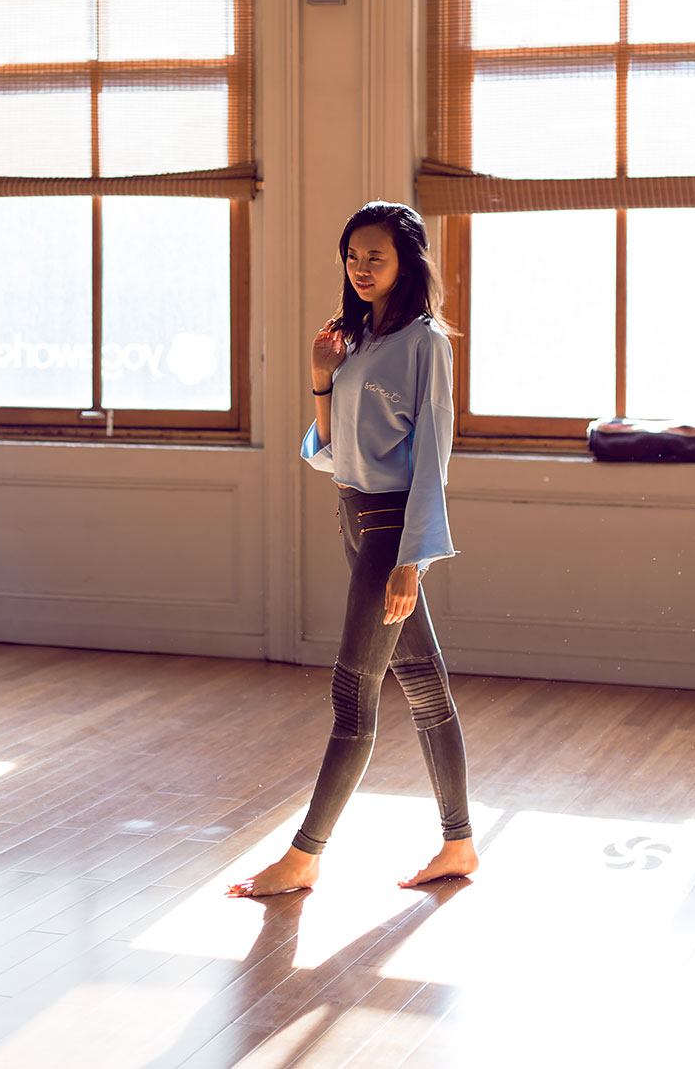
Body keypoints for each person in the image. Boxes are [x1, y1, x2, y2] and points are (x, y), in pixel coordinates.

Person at [226, 201, 478, 897]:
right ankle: (459, 843)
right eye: (353, 256)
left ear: (407, 263)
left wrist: (412, 559)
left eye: (377, 257)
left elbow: (433, 457)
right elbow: (331, 450)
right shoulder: (356, 335)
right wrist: (318, 377)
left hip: (390, 530)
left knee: (353, 696)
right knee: (426, 687)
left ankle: (304, 855)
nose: (362, 268)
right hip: (352, 516)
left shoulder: (427, 343)